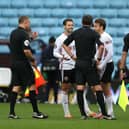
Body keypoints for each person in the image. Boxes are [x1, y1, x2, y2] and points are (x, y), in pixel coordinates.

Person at [62, 15, 111, 120]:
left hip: (79, 63)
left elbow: (64, 45)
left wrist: (72, 56)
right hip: (89, 63)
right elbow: (101, 46)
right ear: (91, 23)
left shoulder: (76, 32)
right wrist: (98, 59)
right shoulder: (93, 33)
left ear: (82, 22)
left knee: (80, 88)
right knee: (97, 88)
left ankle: (83, 114)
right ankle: (105, 113)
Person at [9, 16, 48, 119]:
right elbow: (26, 51)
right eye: (29, 23)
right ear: (25, 22)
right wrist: (32, 60)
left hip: (14, 62)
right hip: (23, 63)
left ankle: (11, 113)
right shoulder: (24, 34)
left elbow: (19, 45)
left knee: (16, 86)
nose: (29, 25)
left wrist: (31, 38)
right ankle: (36, 112)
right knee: (32, 85)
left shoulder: (13, 33)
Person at [53, 18, 76, 118]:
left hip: (76, 66)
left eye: (72, 25)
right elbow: (55, 52)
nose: (71, 27)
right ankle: (66, 113)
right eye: (69, 25)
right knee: (65, 88)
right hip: (65, 66)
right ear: (64, 26)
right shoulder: (60, 38)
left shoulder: (75, 37)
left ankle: (87, 111)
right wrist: (62, 57)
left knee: (80, 87)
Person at [93, 18, 115, 119]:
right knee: (96, 88)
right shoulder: (97, 37)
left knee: (105, 88)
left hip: (106, 65)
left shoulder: (106, 37)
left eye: (96, 26)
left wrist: (102, 64)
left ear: (101, 27)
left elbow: (110, 53)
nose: (94, 27)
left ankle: (110, 112)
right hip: (98, 65)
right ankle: (102, 111)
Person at [41, 36, 59, 104]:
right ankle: (55, 100)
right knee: (55, 85)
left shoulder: (45, 50)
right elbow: (58, 60)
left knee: (47, 85)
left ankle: (46, 100)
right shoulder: (55, 50)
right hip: (55, 71)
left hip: (46, 70)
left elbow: (42, 60)